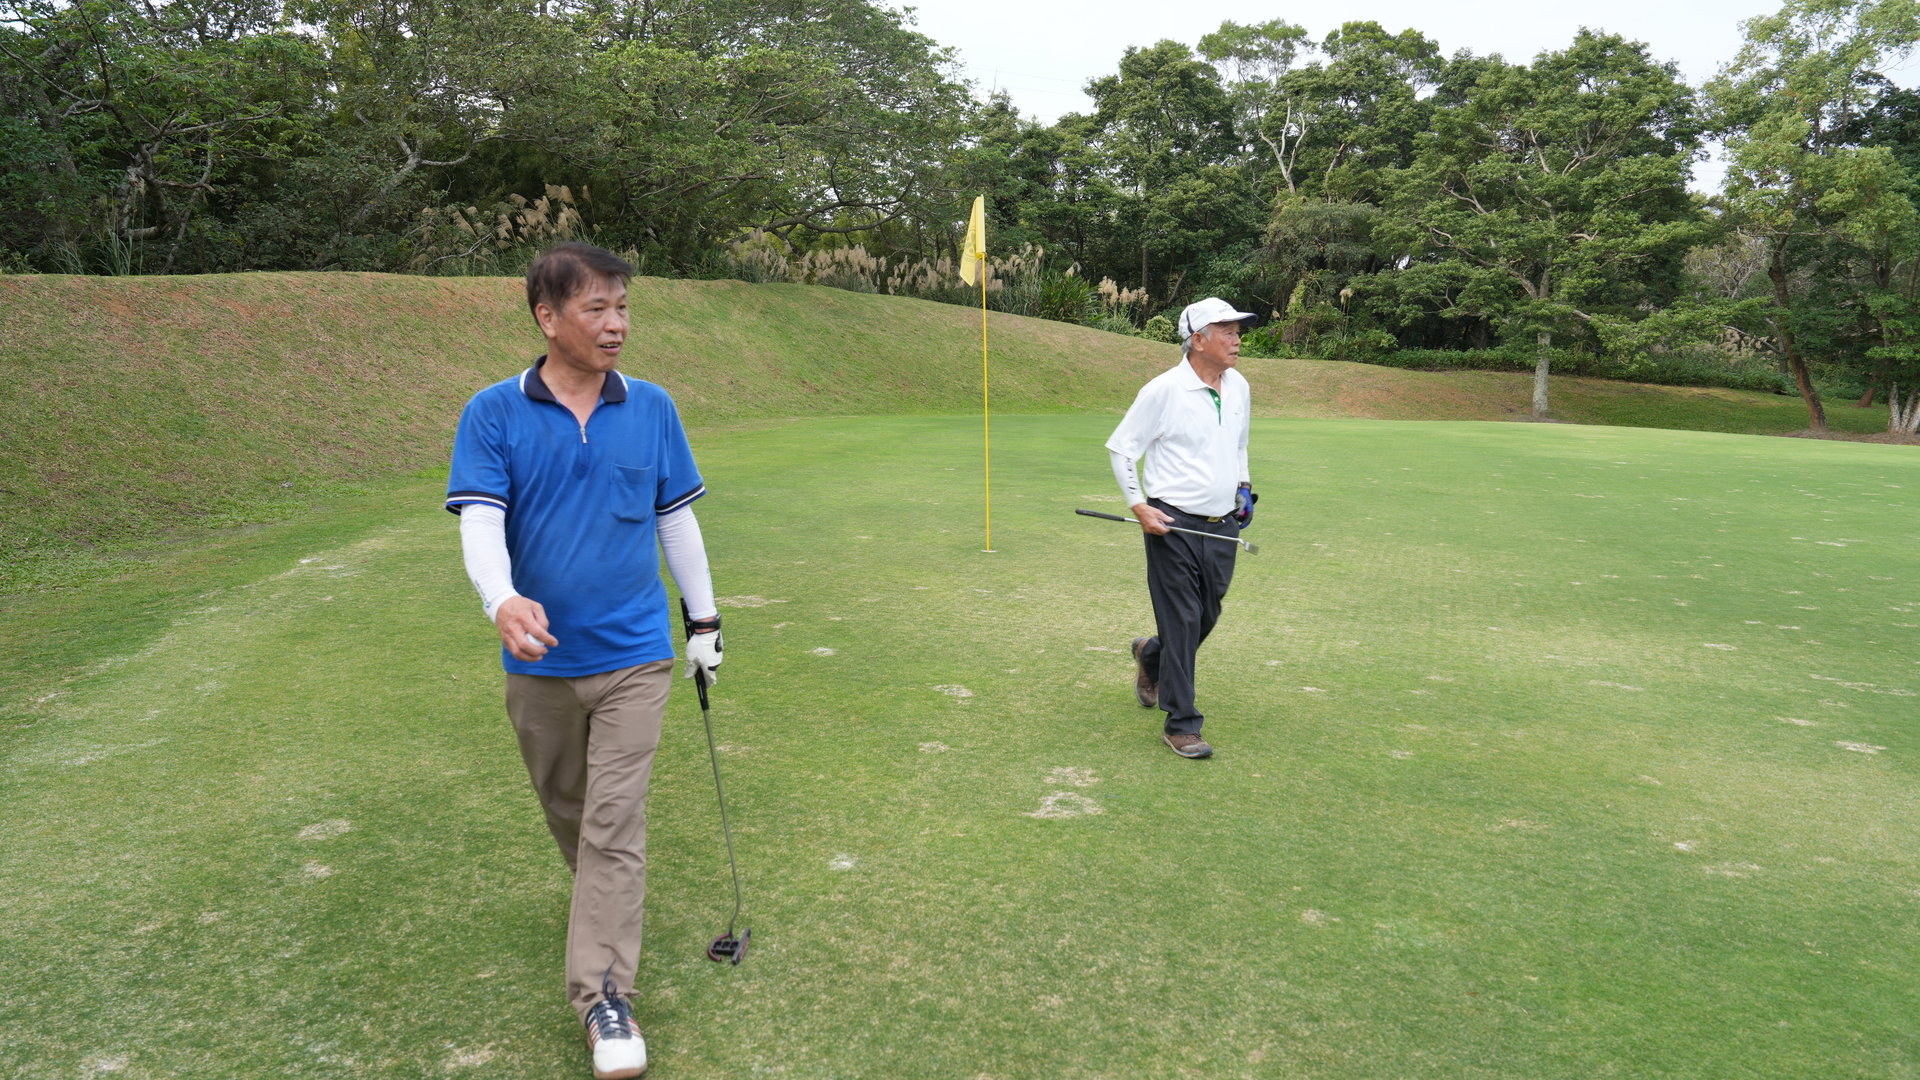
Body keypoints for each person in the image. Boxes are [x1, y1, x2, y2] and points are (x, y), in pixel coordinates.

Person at [446, 241, 722, 1079]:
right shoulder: (492, 412)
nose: (616, 324)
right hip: (540, 664)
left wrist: (703, 620)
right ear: (548, 316)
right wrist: (501, 599)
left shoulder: (653, 407)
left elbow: (675, 517)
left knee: (612, 824)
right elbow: (480, 519)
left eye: (623, 307)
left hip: (636, 654)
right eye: (596, 308)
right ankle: (604, 902)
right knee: (571, 812)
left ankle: (605, 999)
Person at [1106, 297, 1257, 758]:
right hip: (1170, 524)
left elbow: (1239, 444)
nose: (1237, 339)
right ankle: (1182, 724)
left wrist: (1244, 486)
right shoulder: (1163, 390)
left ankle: (1151, 654)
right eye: (1227, 331)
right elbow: (1122, 448)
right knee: (1183, 620)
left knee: (1205, 616)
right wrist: (1138, 505)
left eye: (1237, 331)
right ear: (1198, 339)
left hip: (1222, 526)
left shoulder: (1239, 386)